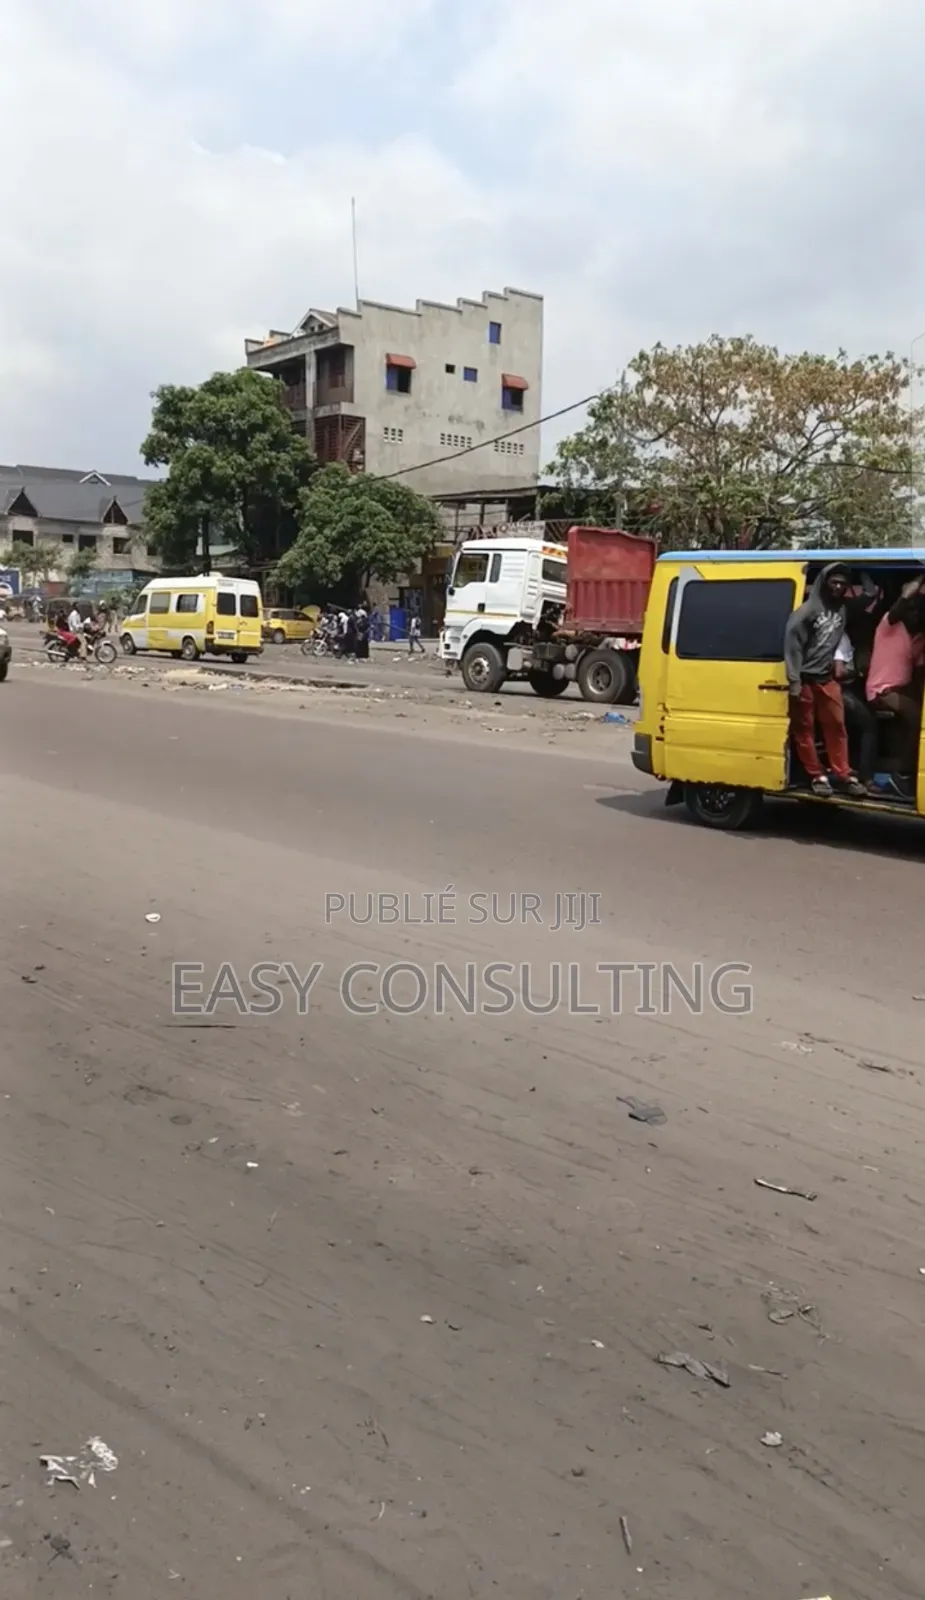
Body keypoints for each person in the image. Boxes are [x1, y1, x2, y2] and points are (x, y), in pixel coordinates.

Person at [784, 563, 867, 797]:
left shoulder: (843, 608)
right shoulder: (807, 611)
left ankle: (843, 774)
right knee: (805, 731)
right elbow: (792, 647)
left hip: (826, 679)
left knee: (837, 727)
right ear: (824, 582)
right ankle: (816, 775)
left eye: (843, 583)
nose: (839, 587)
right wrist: (794, 682)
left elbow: (869, 596)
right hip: (805, 680)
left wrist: (863, 571)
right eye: (834, 582)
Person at [865, 576, 925, 783]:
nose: (914, 614)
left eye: (918, 611)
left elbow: (919, 671)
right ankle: (902, 775)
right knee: (918, 719)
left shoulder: (917, 638)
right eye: (910, 610)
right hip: (882, 690)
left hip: (902, 690)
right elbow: (904, 599)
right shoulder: (888, 625)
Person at [834, 633, 878, 788]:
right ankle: (867, 777)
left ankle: (852, 770)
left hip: (846, 689)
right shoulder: (841, 637)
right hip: (842, 690)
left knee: (854, 728)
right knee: (869, 726)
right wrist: (859, 672)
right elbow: (839, 672)